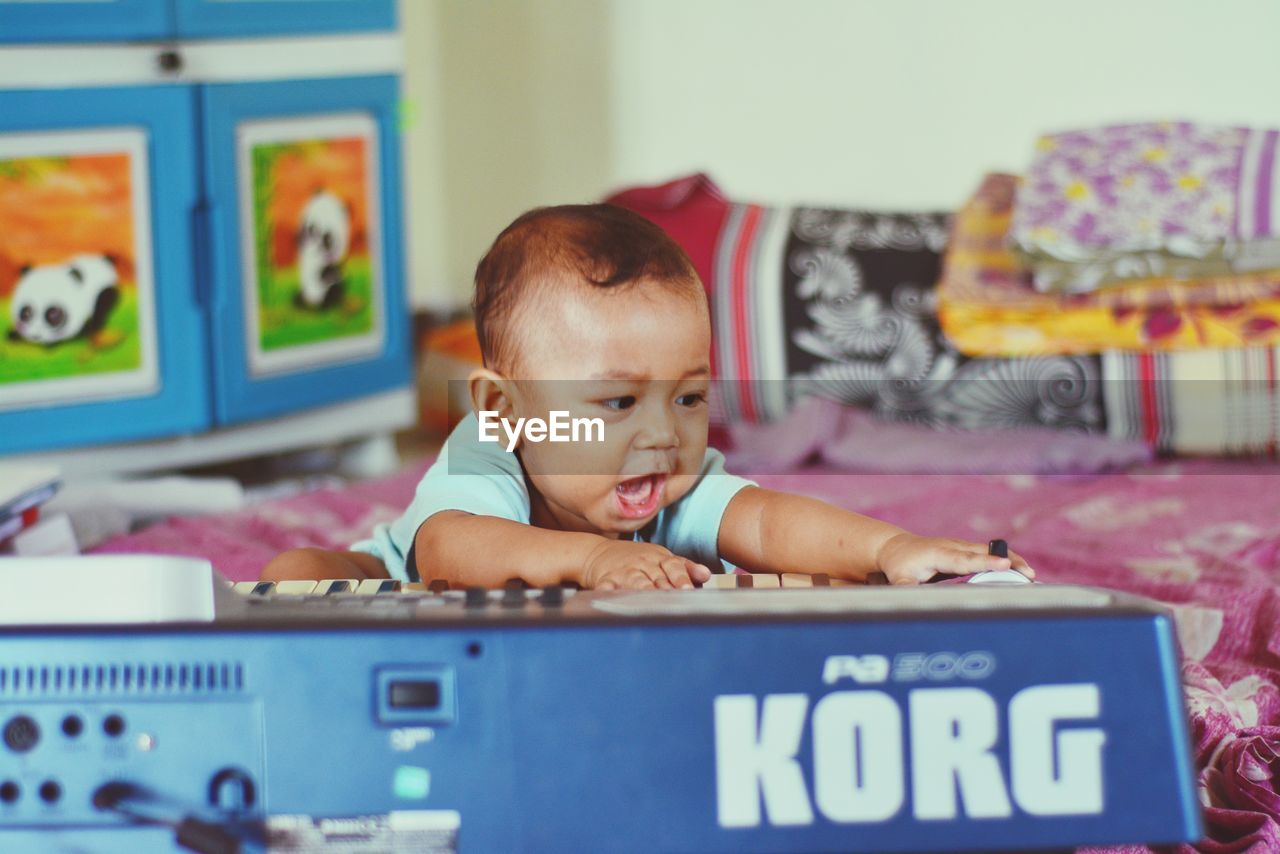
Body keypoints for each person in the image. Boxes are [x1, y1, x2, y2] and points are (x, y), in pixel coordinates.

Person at [261, 204, 1032, 589]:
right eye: (617, 404)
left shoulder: (663, 477)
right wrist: (594, 559)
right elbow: (450, 551)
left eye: (688, 398)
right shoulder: (485, 460)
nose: (662, 435)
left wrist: (887, 548)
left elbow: (765, 518)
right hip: (402, 593)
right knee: (300, 572)